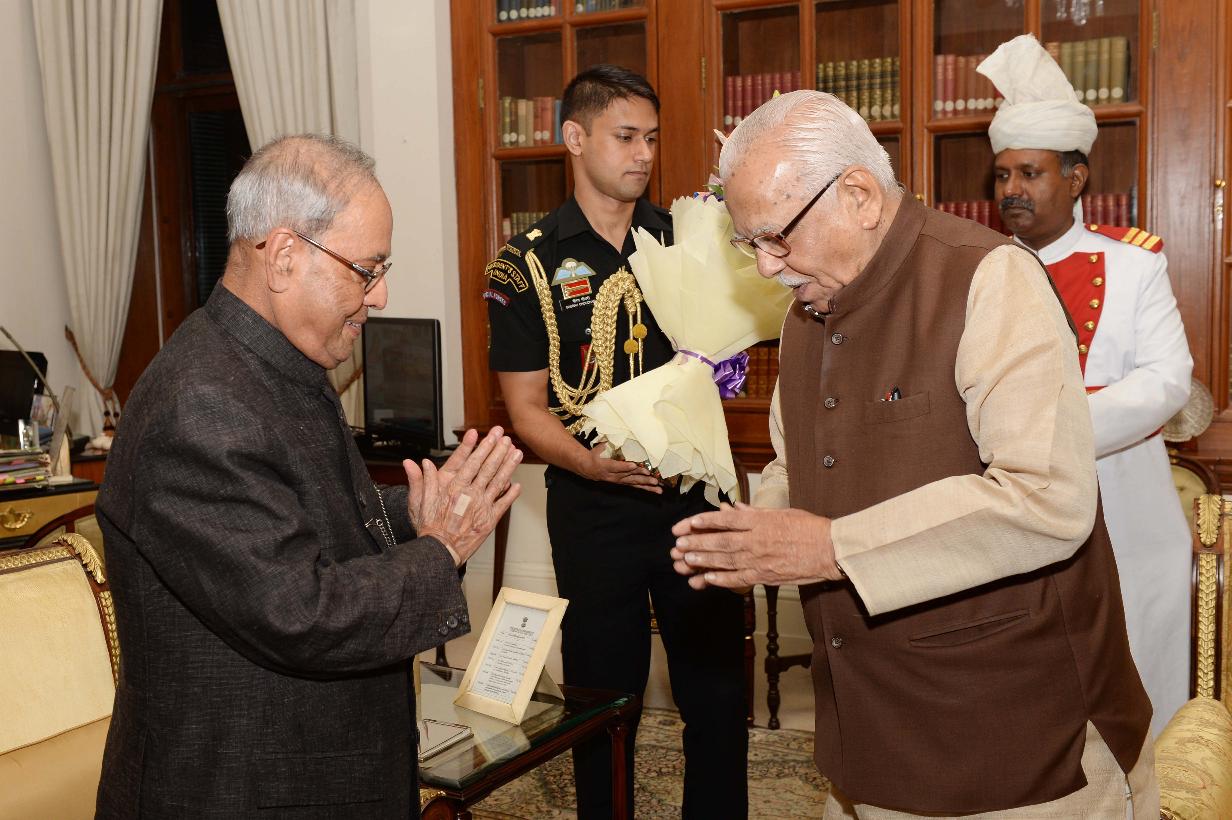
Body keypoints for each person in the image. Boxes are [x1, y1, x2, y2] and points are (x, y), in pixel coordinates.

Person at [671, 90, 1157, 818]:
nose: (767, 268)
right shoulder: (804, 314)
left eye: (776, 237)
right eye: (749, 244)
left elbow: (1047, 499)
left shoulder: (988, 278)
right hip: (864, 726)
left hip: (1018, 741)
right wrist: (752, 538)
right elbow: (794, 464)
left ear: (860, 196)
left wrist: (829, 548)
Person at [95, 134, 523, 819]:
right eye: (366, 270)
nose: (380, 295)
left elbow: (303, 514)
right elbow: (299, 612)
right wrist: (441, 550)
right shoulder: (200, 402)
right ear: (285, 255)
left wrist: (417, 511)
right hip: (242, 791)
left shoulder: (271, 362)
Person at [485, 65, 748, 818]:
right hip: (593, 508)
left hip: (694, 497)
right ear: (575, 137)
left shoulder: (689, 239)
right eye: (626, 137)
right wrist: (593, 465)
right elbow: (526, 409)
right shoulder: (526, 264)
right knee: (603, 702)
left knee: (717, 693)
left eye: (652, 139)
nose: (643, 155)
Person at [979, 34, 1193, 738]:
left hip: (1123, 505)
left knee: (1135, 687)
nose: (1012, 190)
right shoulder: (974, 271)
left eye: (1030, 173)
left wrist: (1051, 431)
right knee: (1025, 696)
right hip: (1008, 506)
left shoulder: (1134, 266)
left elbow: (1167, 379)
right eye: (1002, 175)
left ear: (1075, 179)